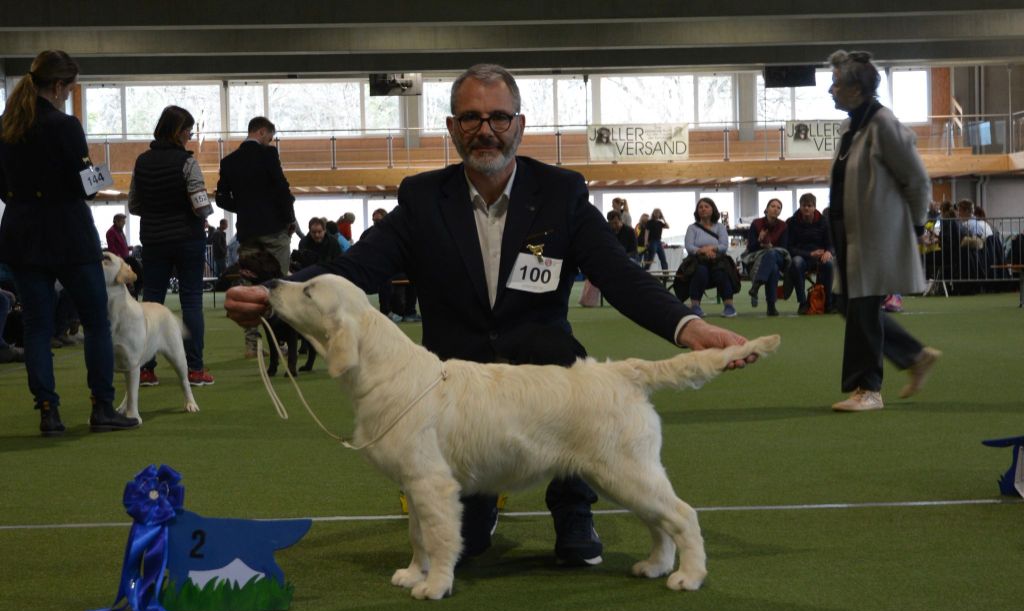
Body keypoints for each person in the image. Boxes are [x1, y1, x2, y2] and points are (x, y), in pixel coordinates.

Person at [225, 63, 754, 567]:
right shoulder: (423, 198)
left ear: (519, 125)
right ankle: (480, 507)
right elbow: (357, 268)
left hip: (545, 366)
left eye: (499, 117)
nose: (487, 130)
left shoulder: (561, 194)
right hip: (458, 385)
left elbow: (621, 276)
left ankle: (574, 513)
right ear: (453, 128)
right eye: (472, 118)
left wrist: (690, 326)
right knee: (468, 544)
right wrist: (275, 295)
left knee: (582, 413)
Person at [0, 50, 138, 434]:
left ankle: (48, 411)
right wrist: (100, 175)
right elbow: (86, 187)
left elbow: (3, 188)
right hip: (69, 236)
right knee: (95, 321)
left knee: (37, 329)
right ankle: (102, 408)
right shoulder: (66, 126)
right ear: (59, 86)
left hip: (22, 236)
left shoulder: (6, 127)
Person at [826, 49, 941, 412]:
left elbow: (917, 179)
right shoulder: (850, 127)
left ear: (857, 90)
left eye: (836, 84)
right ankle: (914, 355)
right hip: (848, 234)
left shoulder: (883, 123)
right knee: (849, 304)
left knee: (861, 307)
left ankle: (869, 390)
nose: (831, 91)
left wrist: (918, 225)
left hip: (876, 235)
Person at [128, 104, 215, 387]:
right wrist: (203, 214)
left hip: (154, 240)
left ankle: (145, 370)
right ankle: (195, 369)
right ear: (178, 132)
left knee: (151, 304)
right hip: (188, 239)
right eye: (188, 131)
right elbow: (201, 205)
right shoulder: (187, 162)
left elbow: (134, 205)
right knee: (191, 301)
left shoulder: (141, 162)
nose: (190, 136)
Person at [215, 116, 297, 358]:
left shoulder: (228, 161)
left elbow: (221, 198)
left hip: (248, 232)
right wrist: (289, 218)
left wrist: (243, 207)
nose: (270, 142)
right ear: (262, 132)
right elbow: (282, 189)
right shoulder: (269, 155)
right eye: (270, 137)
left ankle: (252, 344)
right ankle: (279, 340)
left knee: (249, 287)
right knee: (279, 285)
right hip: (274, 229)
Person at [677, 197, 740, 318]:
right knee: (700, 271)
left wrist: (711, 249)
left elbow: (724, 246)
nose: (703, 209)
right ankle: (695, 306)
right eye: (700, 207)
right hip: (697, 259)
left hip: (717, 258)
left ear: (712, 209)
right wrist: (702, 250)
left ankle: (729, 306)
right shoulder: (692, 228)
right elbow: (689, 246)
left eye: (706, 206)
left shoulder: (720, 227)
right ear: (697, 211)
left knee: (722, 270)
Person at [786, 194, 835, 314]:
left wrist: (829, 252)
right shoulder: (791, 222)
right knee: (796, 263)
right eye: (804, 206)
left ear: (814, 207)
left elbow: (831, 243)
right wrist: (810, 254)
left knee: (829, 264)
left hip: (820, 257)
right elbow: (789, 247)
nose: (807, 208)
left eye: (810, 205)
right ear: (800, 206)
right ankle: (802, 302)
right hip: (801, 256)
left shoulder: (824, 222)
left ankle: (828, 303)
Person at [742, 198, 790, 317]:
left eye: (778, 207)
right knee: (772, 269)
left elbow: (784, 247)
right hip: (758, 256)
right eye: (773, 206)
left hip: (779, 255)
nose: (775, 209)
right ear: (767, 209)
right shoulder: (756, 224)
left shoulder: (783, 226)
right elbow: (751, 247)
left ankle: (756, 285)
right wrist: (759, 241)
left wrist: (771, 246)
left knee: (772, 253)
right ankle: (771, 307)